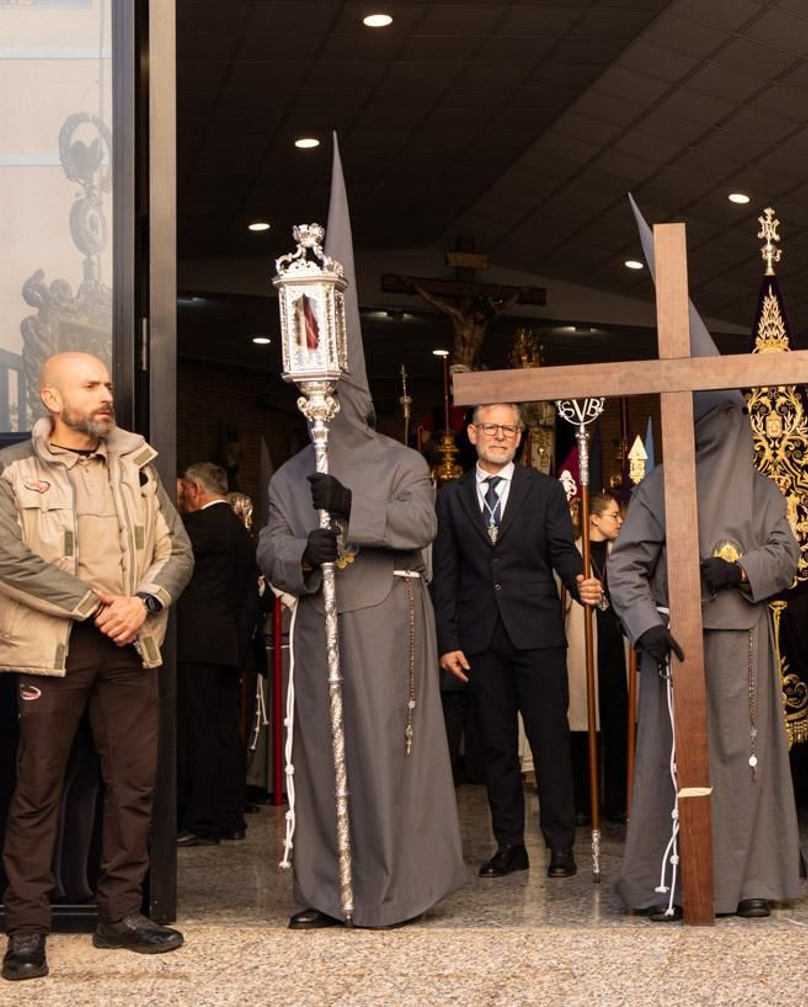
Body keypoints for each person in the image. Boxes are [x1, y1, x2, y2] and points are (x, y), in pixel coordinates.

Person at [256, 168, 462, 929]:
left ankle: (397, 885)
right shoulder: (288, 470)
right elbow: (268, 544)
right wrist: (303, 554)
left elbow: (421, 526)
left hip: (389, 624)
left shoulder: (403, 460)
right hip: (320, 626)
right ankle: (325, 888)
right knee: (321, 753)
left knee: (385, 755)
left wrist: (354, 513)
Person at [0, 351, 194, 982]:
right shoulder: (13, 471)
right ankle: (27, 928)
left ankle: (119, 915)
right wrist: (92, 605)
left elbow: (178, 550)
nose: (106, 394)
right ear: (53, 400)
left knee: (133, 786)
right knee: (38, 789)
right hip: (54, 647)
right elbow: (9, 559)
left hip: (130, 643)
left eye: (108, 383)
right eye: (91, 385)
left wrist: (143, 603)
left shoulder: (138, 465)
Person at [611, 303, 802, 920]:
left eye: (736, 414)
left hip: (741, 643)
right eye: (720, 416)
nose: (732, 426)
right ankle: (674, 876)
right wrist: (647, 626)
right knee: (674, 759)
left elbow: (787, 554)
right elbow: (626, 565)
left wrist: (739, 570)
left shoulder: (762, 488)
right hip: (675, 645)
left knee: (743, 760)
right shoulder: (661, 485)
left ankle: (752, 881)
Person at [431, 403, 602, 879]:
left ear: (520, 438)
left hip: (537, 636)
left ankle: (561, 845)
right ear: (472, 433)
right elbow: (443, 574)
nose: (500, 436)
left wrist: (580, 583)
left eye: (509, 429)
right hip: (479, 638)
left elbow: (562, 552)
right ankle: (509, 846)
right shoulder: (450, 497)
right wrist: (447, 640)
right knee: (497, 749)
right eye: (491, 428)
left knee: (550, 741)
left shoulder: (543, 490)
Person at [174, 461, 258, 848]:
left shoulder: (198, 528)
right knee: (226, 731)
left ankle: (201, 821)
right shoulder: (241, 532)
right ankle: (230, 815)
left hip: (196, 643)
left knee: (199, 733)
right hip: (229, 644)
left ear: (194, 489)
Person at [564, 491, 629, 825]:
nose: (620, 521)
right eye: (613, 515)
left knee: (620, 724)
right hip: (582, 647)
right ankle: (583, 803)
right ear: (593, 519)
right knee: (583, 727)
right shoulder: (572, 555)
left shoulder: (622, 554)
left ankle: (618, 802)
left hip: (618, 647)